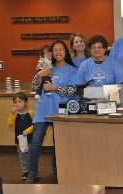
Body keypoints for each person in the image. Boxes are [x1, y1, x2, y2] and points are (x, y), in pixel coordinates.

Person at [28, 39, 78, 184]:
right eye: (55, 50)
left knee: (59, 142)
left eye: (61, 49)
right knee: (36, 142)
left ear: (65, 52)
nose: (58, 52)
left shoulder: (72, 70)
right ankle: (32, 172)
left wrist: (54, 88)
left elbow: (72, 91)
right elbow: (33, 87)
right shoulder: (46, 66)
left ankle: (57, 169)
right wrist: (39, 75)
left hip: (60, 111)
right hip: (42, 110)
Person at [7, 92, 34, 181]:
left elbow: (35, 125)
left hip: (30, 139)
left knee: (31, 155)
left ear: (26, 103)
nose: (17, 104)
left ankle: (34, 171)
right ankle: (25, 171)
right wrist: (12, 114)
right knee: (23, 156)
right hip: (20, 140)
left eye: (20, 101)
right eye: (15, 102)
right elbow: (10, 124)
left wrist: (28, 130)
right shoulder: (15, 114)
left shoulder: (31, 113)